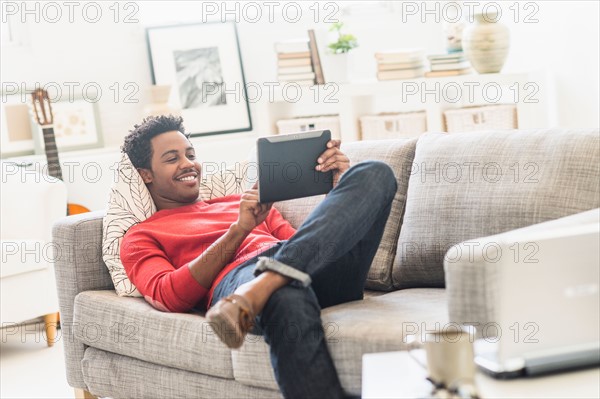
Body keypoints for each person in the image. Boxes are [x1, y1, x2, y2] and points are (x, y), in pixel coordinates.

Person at [120, 115, 397, 399]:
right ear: (146, 174)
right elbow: (169, 294)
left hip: (305, 272)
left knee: (374, 172)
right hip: (240, 277)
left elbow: (302, 245)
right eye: (172, 158)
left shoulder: (244, 201)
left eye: (190, 154)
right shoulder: (140, 235)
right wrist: (238, 230)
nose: (188, 164)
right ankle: (269, 285)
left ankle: (261, 288)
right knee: (285, 294)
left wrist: (340, 189)